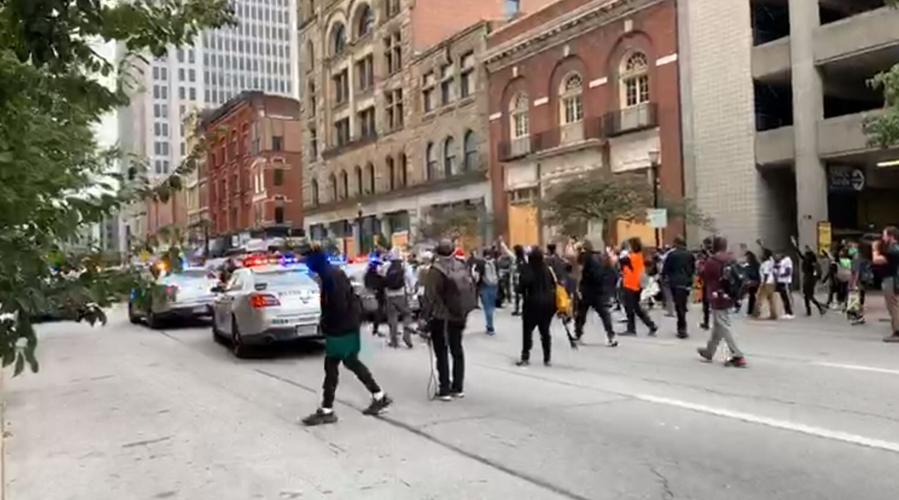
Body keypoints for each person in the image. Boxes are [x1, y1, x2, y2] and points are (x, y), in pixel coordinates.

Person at [301, 246, 392, 426]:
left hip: (340, 327)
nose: (306, 265)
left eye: (307, 261)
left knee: (332, 365)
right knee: (350, 362)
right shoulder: (333, 273)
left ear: (315, 261)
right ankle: (379, 395)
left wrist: (327, 324)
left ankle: (327, 410)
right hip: (348, 325)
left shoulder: (329, 277)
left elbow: (338, 305)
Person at [423, 240, 475, 400]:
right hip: (459, 314)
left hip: (441, 316)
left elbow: (430, 296)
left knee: (442, 351)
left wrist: (425, 318)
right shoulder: (461, 265)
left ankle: (444, 388)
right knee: (457, 349)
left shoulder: (435, 270)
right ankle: (458, 387)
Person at [697, 236, 747, 368]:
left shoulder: (712, 261)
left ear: (714, 246)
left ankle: (738, 355)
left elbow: (703, 275)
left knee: (723, 325)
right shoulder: (731, 259)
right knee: (718, 325)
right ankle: (709, 351)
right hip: (729, 295)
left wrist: (701, 264)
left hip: (717, 296)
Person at [516, 247, 557, 366]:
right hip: (548, 304)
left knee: (527, 331)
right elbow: (554, 284)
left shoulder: (528, 269)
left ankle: (525, 356)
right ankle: (547, 357)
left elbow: (523, 285)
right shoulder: (547, 269)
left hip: (532, 304)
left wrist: (518, 289)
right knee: (545, 331)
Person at [574, 240, 619, 347]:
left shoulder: (587, 258)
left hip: (588, 290)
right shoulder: (601, 257)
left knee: (581, 314)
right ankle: (611, 335)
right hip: (599, 290)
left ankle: (578, 334)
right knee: (604, 314)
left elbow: (582, 272)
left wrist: (580, 288)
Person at [619, 238, 658, 336]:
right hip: (636, 285)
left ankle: (632, 329)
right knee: (636, 308)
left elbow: (621, 261)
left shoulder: (633, 257)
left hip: (631, 285)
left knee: (630, 308)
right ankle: (651, 325)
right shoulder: (639, 256)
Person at [380, 248, 416, 348]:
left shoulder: (386, 266)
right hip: (401, 294)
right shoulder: (404, 265)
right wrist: (412, 290)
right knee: (407, 314)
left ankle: (394, 341)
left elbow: (381, 278)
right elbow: (410, 279)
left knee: (392, 317)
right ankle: (406, 334)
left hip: (389, 295)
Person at [662, 236, 695, 339]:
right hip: (685, 282)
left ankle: (681, 328)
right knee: (682, 303)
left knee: (678, 305)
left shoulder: (672, 255)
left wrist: (664, 277)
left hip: (675, 282)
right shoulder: (690, 255)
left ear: (676, 243)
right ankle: (682, 325)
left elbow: (666, 268)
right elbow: (692, 269)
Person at [873, 226, 899, 342]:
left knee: (893, 306)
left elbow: (877, 259)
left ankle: (897, 332)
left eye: (884, 235)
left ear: (891, 236)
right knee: (892, 306)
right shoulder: (893, 249)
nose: (883, 238)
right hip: (890, 279)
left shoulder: (893, 249)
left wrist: (874, 249)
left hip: (891, 279)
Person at [473, 248, 500, 335]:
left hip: (484, 286)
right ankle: (490, 324)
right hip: (494, 286)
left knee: (487, 307)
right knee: (491, 306)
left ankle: (490, 327)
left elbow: (476, 277)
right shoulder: (495, 262)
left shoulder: (480, 263)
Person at [363, 253, 386, 337]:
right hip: (378, 296)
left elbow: (367, 284)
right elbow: (383, 283)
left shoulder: (367, 275)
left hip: (373, 296)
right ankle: (375, 329)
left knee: (376, 313)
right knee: (378, 313)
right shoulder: (376, 276)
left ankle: (375, 329)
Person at [798, 248, 826, 316]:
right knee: (807, 296)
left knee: (809, 296)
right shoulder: (813, 262)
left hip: (809, 279)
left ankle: (819, 308)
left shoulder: (809, 261)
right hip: (810, 279)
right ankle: (810, 311)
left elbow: (801, 255)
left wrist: (795, 246)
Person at [754, 248, 779, 320]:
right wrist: (761, 245)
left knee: (759, 298)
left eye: (763, 254)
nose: (761, 255)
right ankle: (774, 314)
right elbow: (770, 254)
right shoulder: (771, 262)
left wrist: (763, 284)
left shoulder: (765, 264)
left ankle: (756, 313)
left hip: (766, 283)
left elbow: (766, 274)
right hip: (772, 282)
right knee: (771, 299)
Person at [775, 252, 795, 319]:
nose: (777, 257)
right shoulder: (782, 261)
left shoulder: (787, 261)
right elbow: (779, 267)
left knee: (786, 297)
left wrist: (780, 275)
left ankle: (790, 312)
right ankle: (786, 311)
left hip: (785, 281)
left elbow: (788, 272)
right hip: (780, 281)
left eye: (778, 255)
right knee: (783, 297)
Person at [743, 251, 761, 316]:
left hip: (756, 282)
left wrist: (755, 281)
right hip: (751, 283)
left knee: (755, 296)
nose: (746, 259)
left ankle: (754, 310)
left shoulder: (756, 265)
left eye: (747, 258)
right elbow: (746, 274)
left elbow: (758, 274)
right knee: (752, 296)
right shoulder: (747, 266)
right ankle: (750, 311)